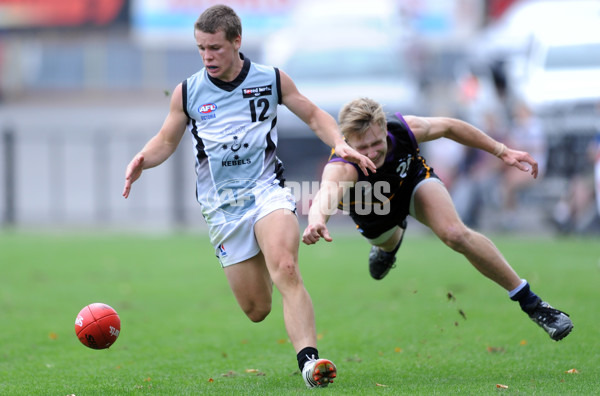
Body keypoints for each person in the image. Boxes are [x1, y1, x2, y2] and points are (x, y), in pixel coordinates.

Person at [122, 5, 375, 388]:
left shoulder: (269, 79)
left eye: (215, 48)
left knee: (287, 268)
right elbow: (166, 140)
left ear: (237, 41)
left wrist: (340, 142)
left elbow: (312, 115)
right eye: (201, 49)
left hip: (266, 191)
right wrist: (143, 159)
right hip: (223, 208)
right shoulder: (188, 91)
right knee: (257, 309)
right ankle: (263, 257)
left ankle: (309, 363)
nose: (207, 56)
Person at [302, 97, 573, 342]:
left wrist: (502, 151)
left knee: (455, 233)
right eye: (363, 147)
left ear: (385, 129)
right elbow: (326, 194)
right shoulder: (342, 166)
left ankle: (534, 305)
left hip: (413, 184)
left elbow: (450, 126)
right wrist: (317, 221)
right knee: (385, 242)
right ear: (348, 142)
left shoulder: (404, 128)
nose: (372, 153)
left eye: (377, 143)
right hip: (375, 209)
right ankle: (388, 247)